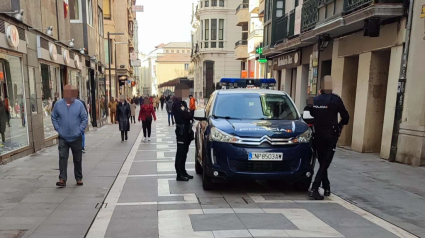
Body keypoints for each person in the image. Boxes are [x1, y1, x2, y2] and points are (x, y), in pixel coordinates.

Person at [307, 76, 349, 200]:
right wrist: (340, 125)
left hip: (317, 135)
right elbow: (346, 117)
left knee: (322, 161)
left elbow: (309, 114)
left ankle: (326, 186)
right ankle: (314, 188)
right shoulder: (336, 100)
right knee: (326, 162)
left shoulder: (314, 100)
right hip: (331, 135)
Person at [51, 85, 88, 187]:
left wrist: (80, 130)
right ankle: (62, 179)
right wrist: (58, 128)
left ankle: (78, 178)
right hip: (63, 137)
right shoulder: (58, 104)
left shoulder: (79, 104)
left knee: (77, 158)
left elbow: (84, 118)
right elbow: (53, 116)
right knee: (62, 157)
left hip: (76, 136)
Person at [172, 96, 194, 181]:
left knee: (185, 152)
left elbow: (188, 114)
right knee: (180, 153)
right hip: (181, 131)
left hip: (186, 131)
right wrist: (190, 113)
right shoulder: (177, 104)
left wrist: (190, 113)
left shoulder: (183, 103)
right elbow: (186, 115)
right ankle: (179, 174)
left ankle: (183, 172)